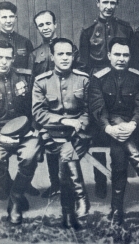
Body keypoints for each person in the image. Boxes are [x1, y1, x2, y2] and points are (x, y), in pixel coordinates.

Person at [89, 37, 139, 226]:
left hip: (133, 129)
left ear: (129, 57)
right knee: (118, 143)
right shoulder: (98, 78)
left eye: (125, 55)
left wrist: (133, 124)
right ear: (109, 55)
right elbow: (97, 107)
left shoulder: (138, 77)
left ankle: (117, 209)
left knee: (119, 151)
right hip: (105, 130)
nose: (121, 58)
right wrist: (109, 127)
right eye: (117, 54)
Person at [79, 0, 133, 199]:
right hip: (98, 90)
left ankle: (120, 182)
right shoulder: (88, 31)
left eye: (113, 3)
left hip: (122, 90)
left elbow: (134, 62)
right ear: (98, 3)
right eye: (105, 2)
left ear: (117, 4)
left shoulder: (126, 29)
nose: (109, 6)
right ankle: (100, 181)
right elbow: (83, 66)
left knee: (120, 134)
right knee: (100, 135)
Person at [32, 38, 91, 230]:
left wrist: (79, 124)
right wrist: (64, 121)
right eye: (60, 54)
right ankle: (80, 200)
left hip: (78, 135)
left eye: (68, 54)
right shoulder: (42, 81)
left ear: (74, 55)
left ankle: (68, 213)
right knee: (66, 153)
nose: (65, 58)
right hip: (52, 135)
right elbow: (39, 113)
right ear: (52, 56)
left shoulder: (83, 79)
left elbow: (89, 110)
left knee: (66, 156)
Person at [30, 10, 80, 199]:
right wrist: (36, 123)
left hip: (70, 109)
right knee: (51, 145)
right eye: (41, 25)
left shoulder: (69, 47)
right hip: (48, 112)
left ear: (55, 24)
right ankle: (55, 184)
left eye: (48, 23)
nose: (45, 28)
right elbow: (32, 87)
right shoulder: (35, 54)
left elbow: (78, 77)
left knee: (70, 145)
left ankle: (70, 184)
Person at [0, 41, 41, 225]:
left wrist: (34, 130)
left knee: (30, 155)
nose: (3, 61)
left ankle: (14, 197)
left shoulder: (26, 78)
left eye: (7, 57)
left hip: (25, 133)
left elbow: (37, 106)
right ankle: (8, 187)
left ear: (13, 58)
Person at [0, 1, 33, 69]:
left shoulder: (25, 42)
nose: (8, 21)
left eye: (11, 16)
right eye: (4, 17)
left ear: (16, 18)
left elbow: (31, 68)